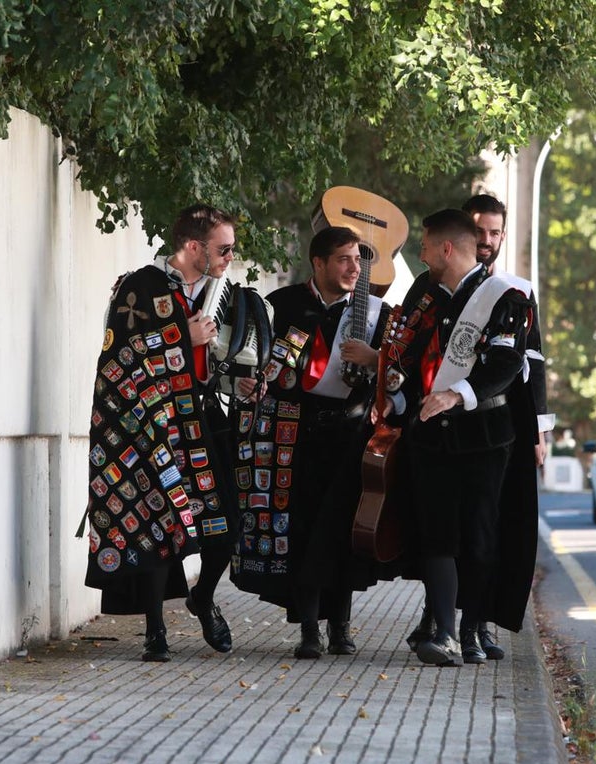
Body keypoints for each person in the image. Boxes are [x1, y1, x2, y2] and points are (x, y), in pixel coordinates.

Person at [80, 203, 241, 662]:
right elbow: (116, 363)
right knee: (156, 525)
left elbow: (220, 357)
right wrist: (178, 337)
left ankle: (204, 597)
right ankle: (155, 631)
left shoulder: (218, 290)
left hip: (205, 418)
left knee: (225, 524)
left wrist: (238, 377)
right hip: (153, 426)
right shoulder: (140, 287)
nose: (230, 257)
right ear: (194, 247)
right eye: (223, 249)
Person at [404, 194, 554, 663]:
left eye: (426, 246)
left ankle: (473, 629)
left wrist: (537, 429)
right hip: (430, 433)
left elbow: (513, 363)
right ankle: (444, 631)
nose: (422, 255)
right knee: (436, 533)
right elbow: (406, 355)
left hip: (487, 433)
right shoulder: (424, 294)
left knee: (480, 535)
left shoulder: (507, 295)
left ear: (446, 248)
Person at [230, 226, 386, 659]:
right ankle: (308, 631)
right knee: (300, 528)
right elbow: (256, 363)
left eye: (358, 259)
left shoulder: (375, 313)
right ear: (318, 263)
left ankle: (341, 626)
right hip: (293, 434)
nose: (354, 267)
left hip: (351, 435)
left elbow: (396, 372)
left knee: (341, 530)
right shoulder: (283, 306)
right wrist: (249, 385)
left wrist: (375, 361)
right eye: (344, 259)